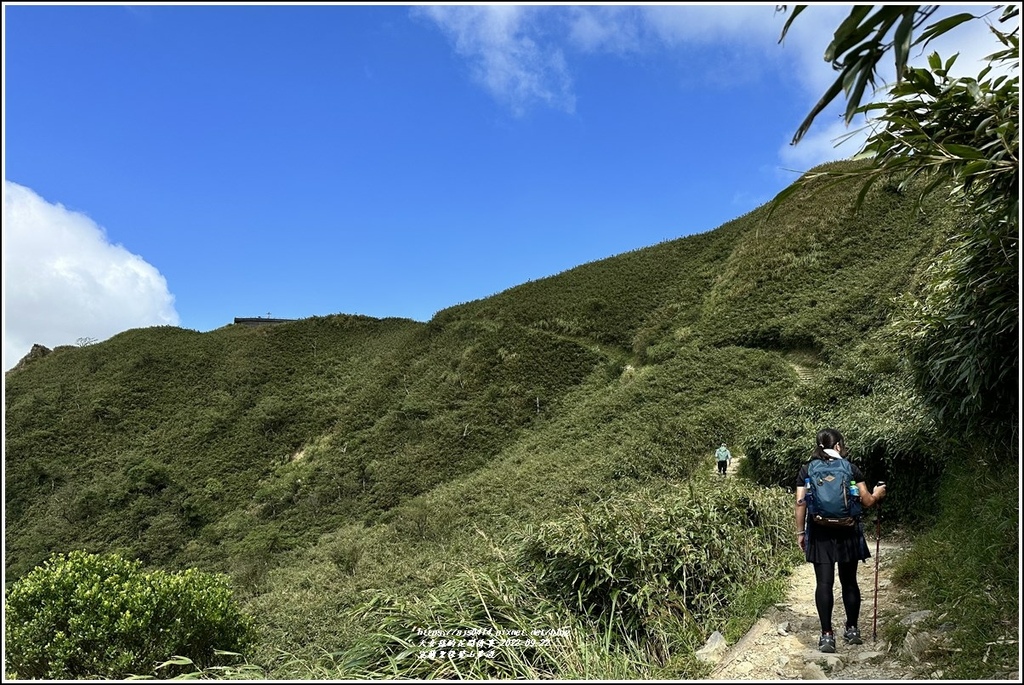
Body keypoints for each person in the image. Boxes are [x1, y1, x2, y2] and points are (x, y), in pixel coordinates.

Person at [795, 428, 886, 653]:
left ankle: (827, 635)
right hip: (848, 530)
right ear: (837, 446)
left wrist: (800, 533)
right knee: (849, 581)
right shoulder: (850, 468)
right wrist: (877, 494)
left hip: (819, 531)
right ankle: (852, 629)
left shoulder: (807, 469)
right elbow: (866, 501)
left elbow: (800, 502)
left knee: (824, 583)